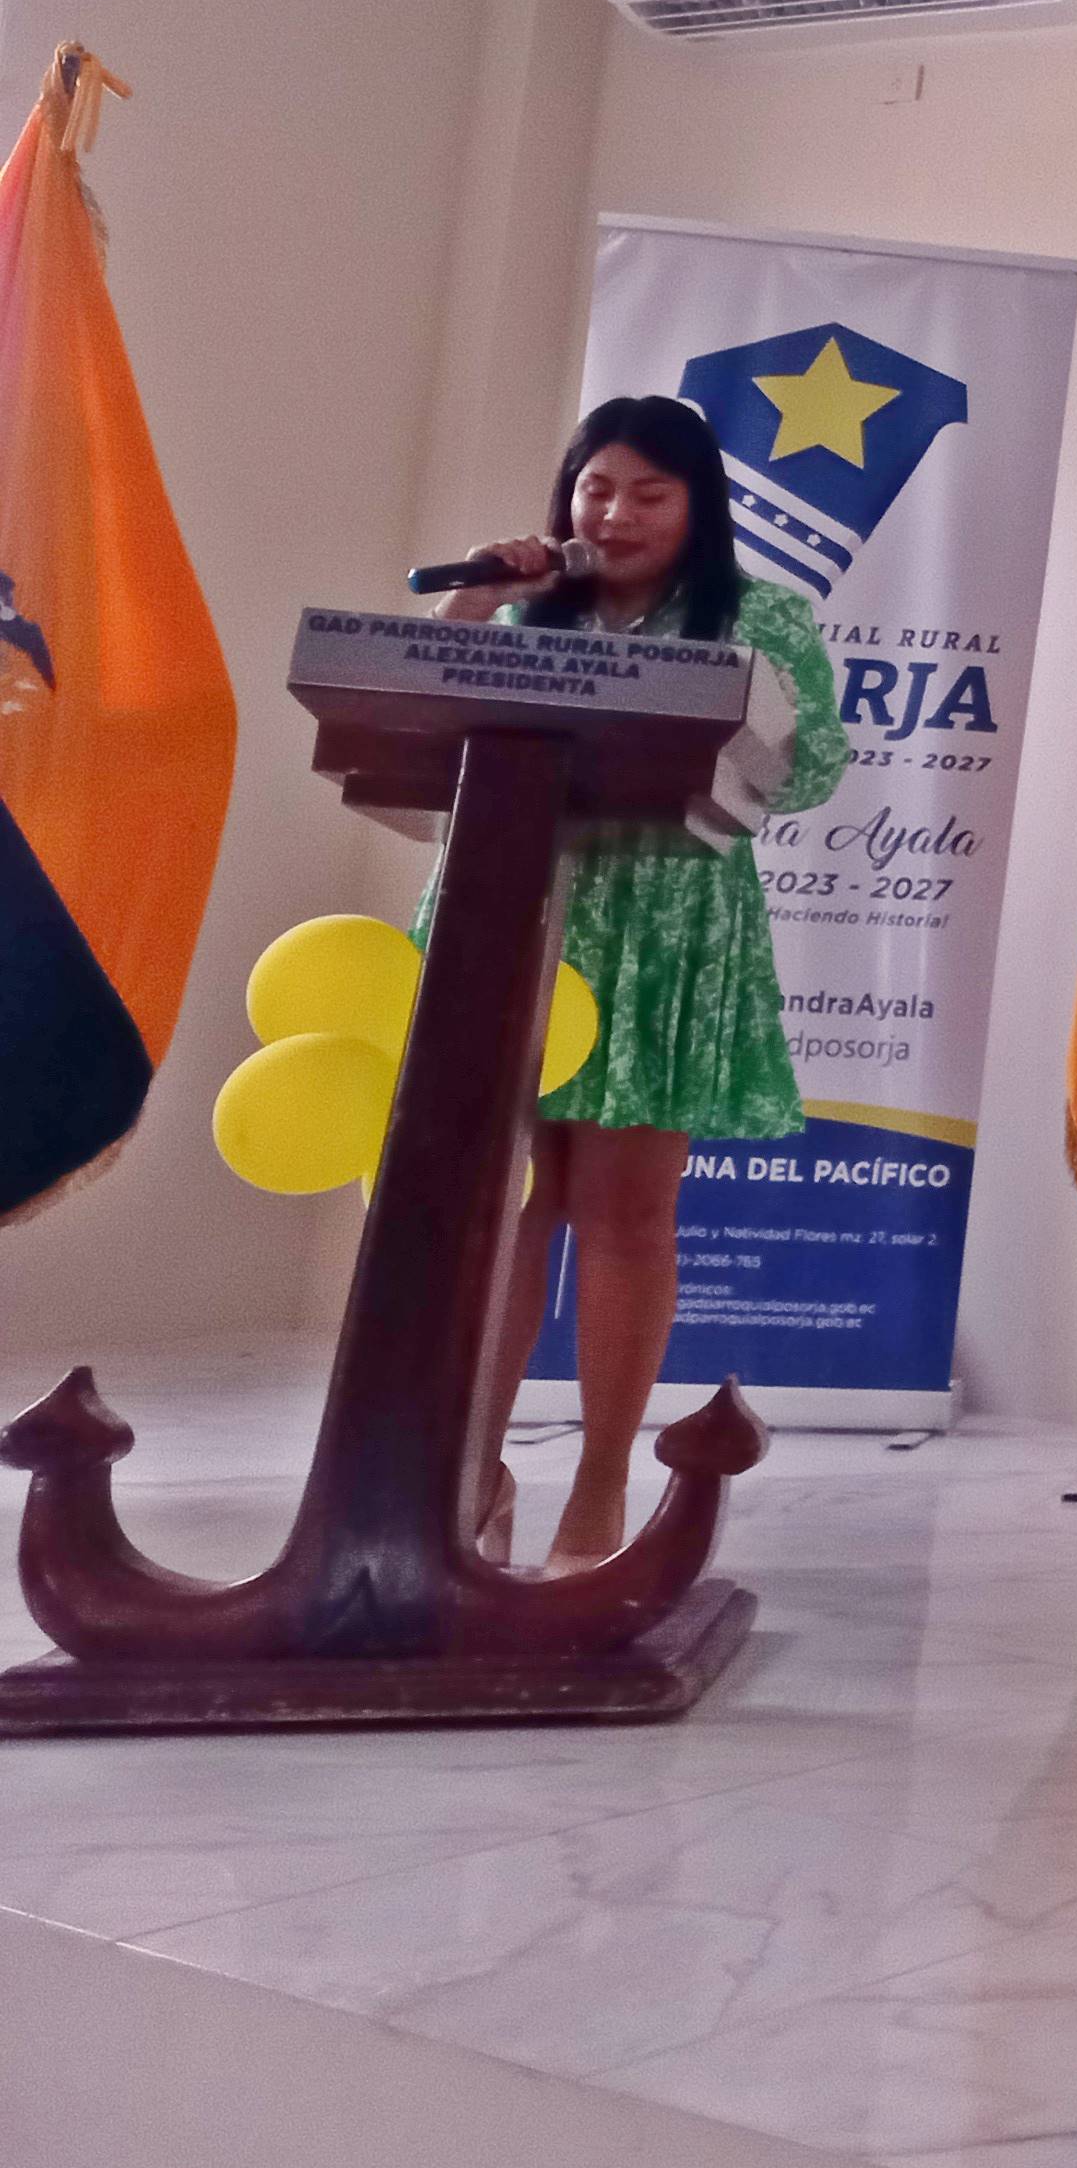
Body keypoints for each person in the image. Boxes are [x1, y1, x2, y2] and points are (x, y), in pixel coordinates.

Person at [434, 396, 845, 1566]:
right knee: (499, 1210)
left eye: (648, 494)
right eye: (596, 488)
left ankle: (601, 1486)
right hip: (517, 913)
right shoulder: (529, 602)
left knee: (623, 1214)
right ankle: (471, 1472)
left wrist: (711, 727)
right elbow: (426, 713)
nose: (614, 515)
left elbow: (813, 766)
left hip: (668, 929)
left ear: (698, 506)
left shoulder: (759, 613)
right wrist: (475, 602)